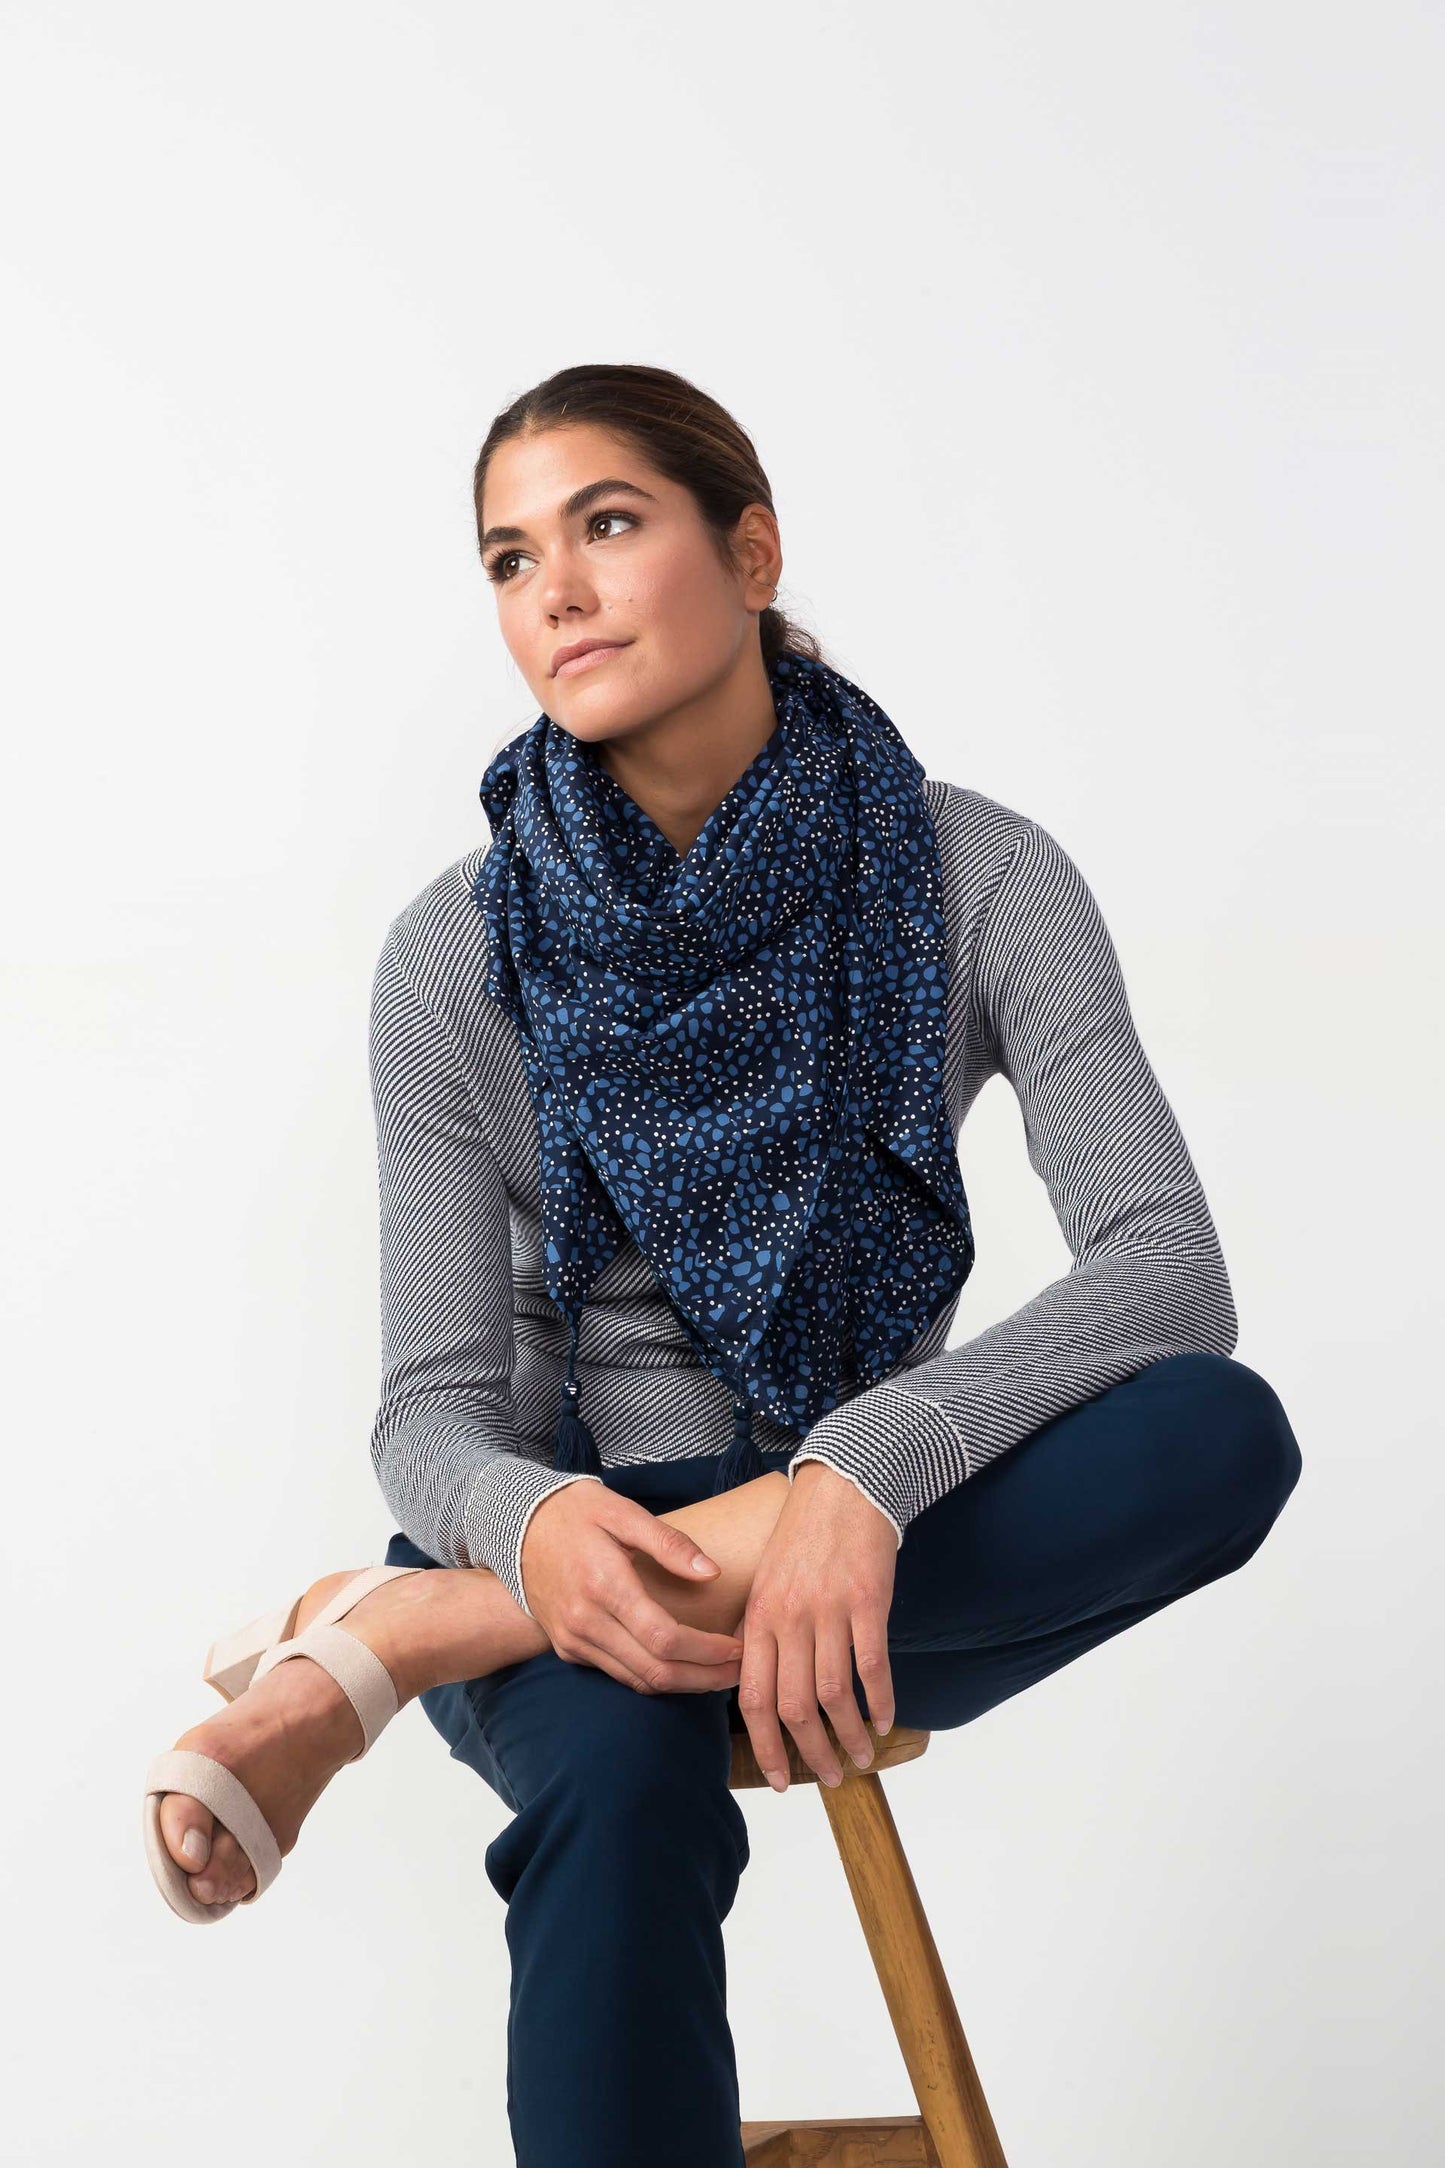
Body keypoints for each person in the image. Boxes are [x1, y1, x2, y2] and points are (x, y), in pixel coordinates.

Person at [145, 363, 1303, 2167]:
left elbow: (1164, 1269)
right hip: (568, 1531)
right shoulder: (454, 956)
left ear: (750, 553)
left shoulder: (975, 874)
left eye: (607, 525)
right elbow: (434, 1416)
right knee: (621, 1781)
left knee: (1218, 1433)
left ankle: (399, 1636)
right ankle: (499, 1607)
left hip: (868, 1551)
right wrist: (536, 1537)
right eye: (510, 558)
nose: (556, 592)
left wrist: (860, 1466)